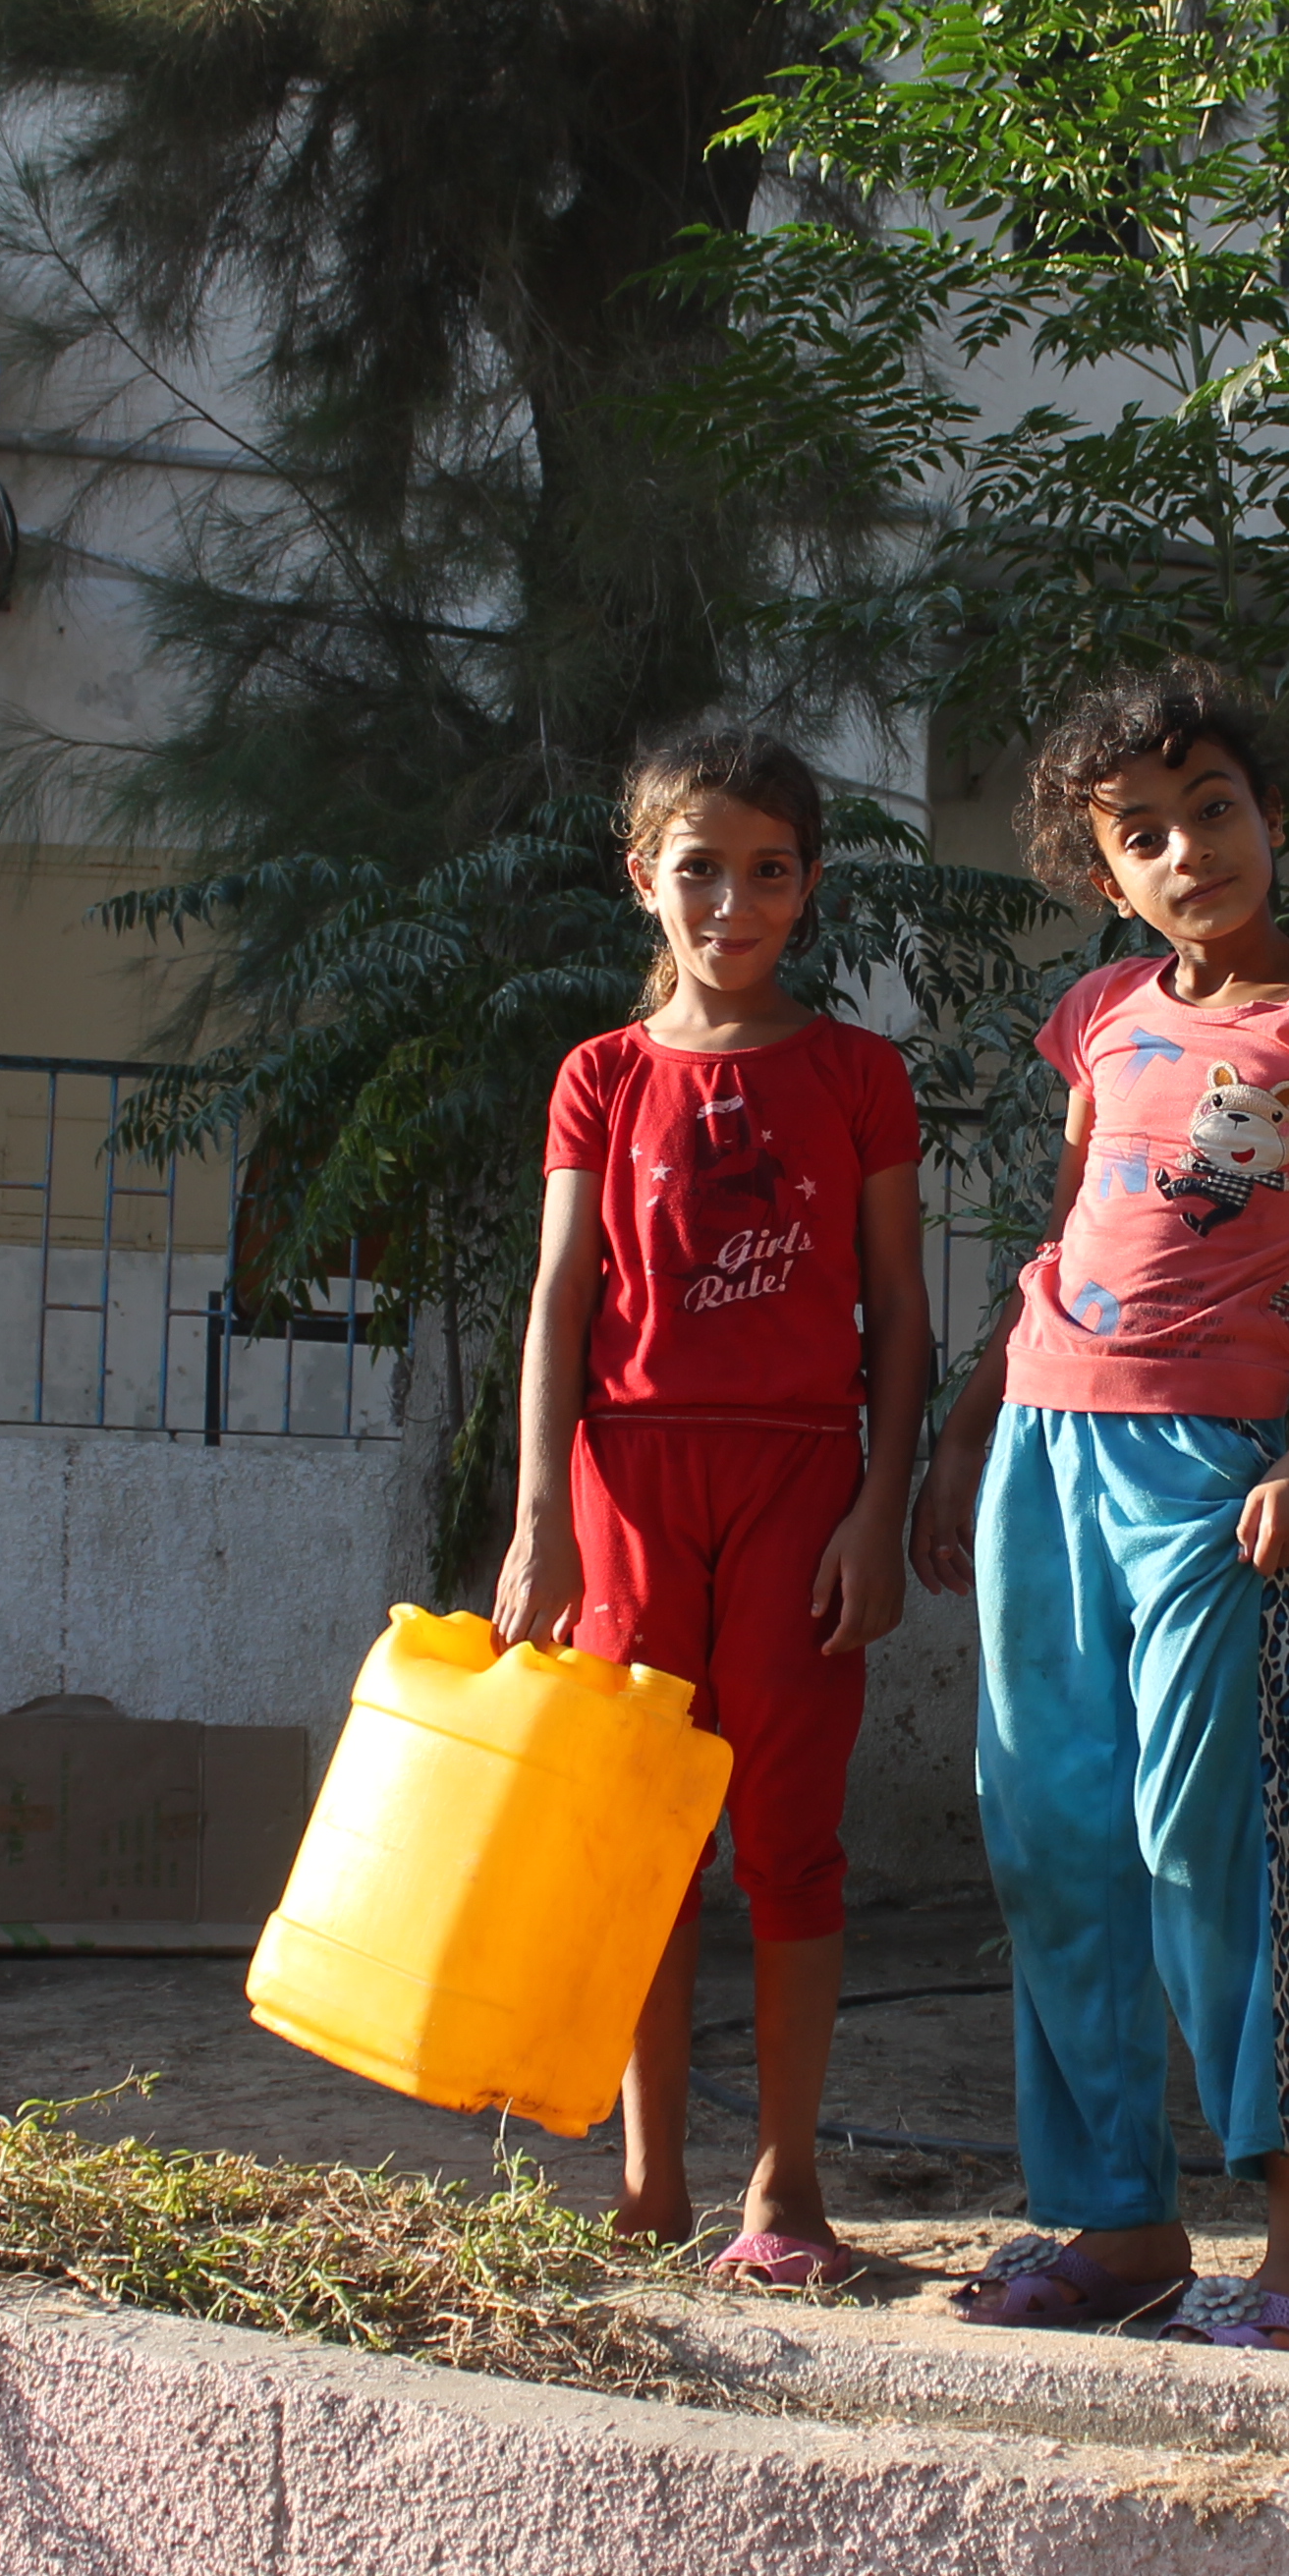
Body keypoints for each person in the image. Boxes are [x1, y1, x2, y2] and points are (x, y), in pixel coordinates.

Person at [910, 660, 1289, 2354]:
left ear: (1271, 820)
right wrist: (964, 1432)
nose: (1186, 850)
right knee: (1054, 1842)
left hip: (1212, 1485)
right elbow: (1064, 1243)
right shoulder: (1098, 1018)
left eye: (1212, 810)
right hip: (1039, 1465)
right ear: (1104, 874)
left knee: (1207, 1846)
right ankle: (1121, 2226)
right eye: (1140, 834)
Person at [494, 728, 930, 2289]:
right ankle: (648, 2178)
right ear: (643, 880)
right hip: (628, 1480)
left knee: (790, 1844)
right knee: (638, 1840)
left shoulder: (858, 1075)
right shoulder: (600, 1077)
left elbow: (902, 1316)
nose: (730, 904)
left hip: (802, 1480)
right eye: (699, 869)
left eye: (766, 871)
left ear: (808, 887)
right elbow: (559, 1297)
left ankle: (784, 2186)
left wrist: (880, 1510)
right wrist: (542, 1515)